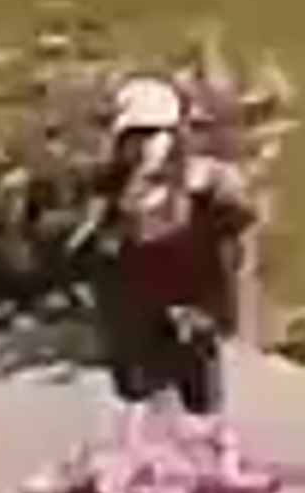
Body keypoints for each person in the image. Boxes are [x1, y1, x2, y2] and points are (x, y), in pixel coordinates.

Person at [95, 70, 255, 420]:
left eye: (151, 135)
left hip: (195, 298)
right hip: (141, 306)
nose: (142, 147)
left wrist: (217, 310)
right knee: (135, 390)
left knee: (201, 402)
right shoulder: (111, 191)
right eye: (133, 137)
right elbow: (101, 258)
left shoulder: (209, 182)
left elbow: (236, 240)